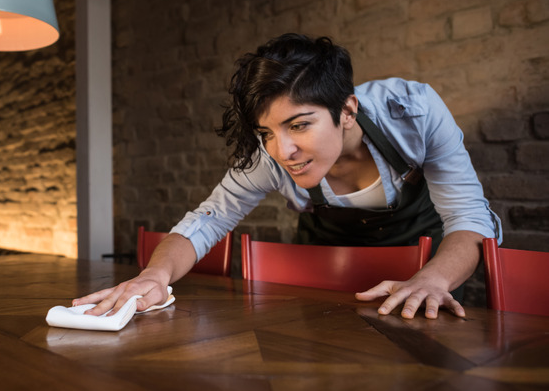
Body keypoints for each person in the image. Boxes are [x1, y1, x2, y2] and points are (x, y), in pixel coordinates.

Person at [74, 33, 502, 320]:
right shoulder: (269, 156)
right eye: (266, 132)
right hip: (325, 269)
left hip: (426, 263)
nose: (283, 151)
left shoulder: (413, 111)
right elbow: (206, 221)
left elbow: (468, 217)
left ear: (348, 111)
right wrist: (154, 276)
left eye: (299, 125)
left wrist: (434, 277)